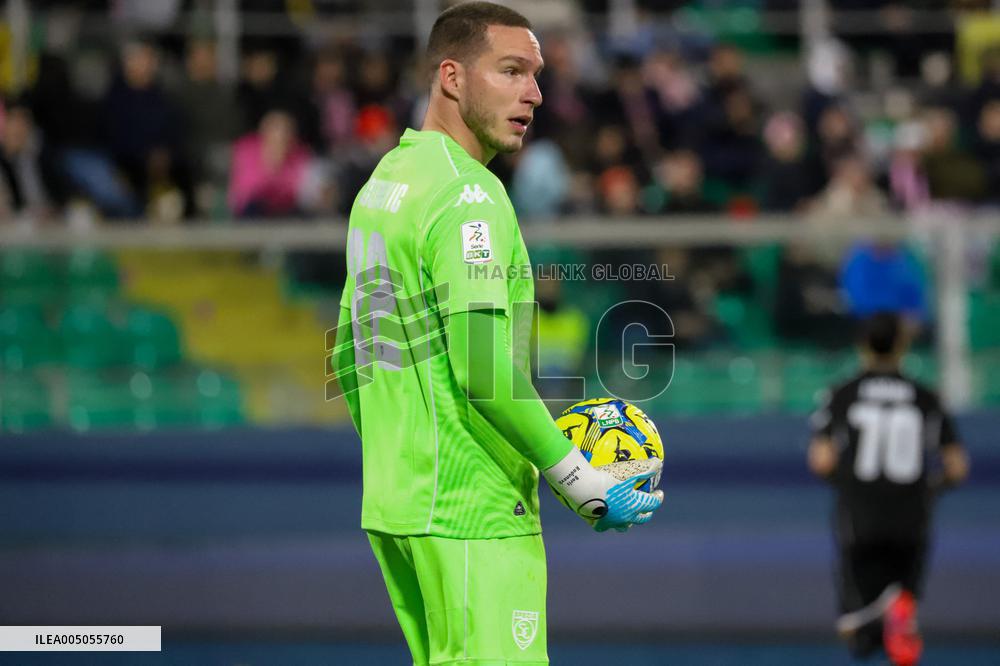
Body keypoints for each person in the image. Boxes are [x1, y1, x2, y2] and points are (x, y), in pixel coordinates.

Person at [327, 4, 664, 664]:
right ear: (451, 77)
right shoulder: (469, 197)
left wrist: (405, 462)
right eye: (511, 71)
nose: (533, 94)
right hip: (471, 511)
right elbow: (483, 371)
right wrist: (577, 478)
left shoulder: (386, 183)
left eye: (536, 75)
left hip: (401, 506)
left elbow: (348, 357)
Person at [808, 312, 969, 666]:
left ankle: (874, 622)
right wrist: (931, 488)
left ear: (862, 344)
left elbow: (821, 459)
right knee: (900, 610)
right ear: (902, 345)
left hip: (860, 517)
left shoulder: (842, 393)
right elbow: (957, 466)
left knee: (856, 631)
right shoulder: (927, 397)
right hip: (911, 516)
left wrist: (849, 483)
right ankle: (897, 615)